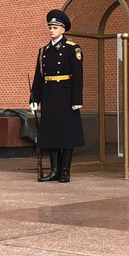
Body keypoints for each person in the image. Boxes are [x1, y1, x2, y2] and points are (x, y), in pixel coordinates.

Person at [29, 9, 85, 183]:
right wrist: (34, 98)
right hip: (50, 96)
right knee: (52, 133)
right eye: (50, 27)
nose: (51, 30)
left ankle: (65, 172)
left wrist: (77, 99)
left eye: (55, 27)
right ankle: (54, 170)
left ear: (63, 30)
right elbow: (39, 76)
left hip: (66, 96)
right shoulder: (43, 51)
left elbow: (78, 75)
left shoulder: (72, 49)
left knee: (66, 134)